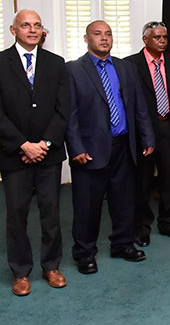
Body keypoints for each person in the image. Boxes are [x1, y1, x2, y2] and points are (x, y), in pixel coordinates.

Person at [0, 10, 70, 296]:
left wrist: (44, 144)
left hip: (49, 153)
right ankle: (20, 272)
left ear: (42, 30)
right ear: (13, 30)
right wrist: (23, 145)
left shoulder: (57, 64)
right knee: (16, 214)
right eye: (25, 25)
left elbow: (63, 109)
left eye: (36, 25)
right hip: (14, 154)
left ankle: (51, 266)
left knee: (51, 212)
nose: (32, 29)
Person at [66, 20, 155, 275]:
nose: (104, 38)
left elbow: (138, 107)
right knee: (87, 206)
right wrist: (76, 148)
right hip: (89, 150)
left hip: (123, 146)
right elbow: (69, 114)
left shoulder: (125, 68)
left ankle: (122, 245)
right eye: (97, 34)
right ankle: (84, 253)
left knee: (124, 201)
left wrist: (147, 138)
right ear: (86, 39)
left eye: (108, 34)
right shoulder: (73, 70)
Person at [125, 21, 170, 246]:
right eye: (157, 37)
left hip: (168, 128)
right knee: (143, 181)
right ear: (145, 40)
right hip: (144, 132)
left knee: (169, 180)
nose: (162, 41)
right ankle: (142, 226)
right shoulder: (130, 64)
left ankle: (168, 222)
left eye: (164, 38)